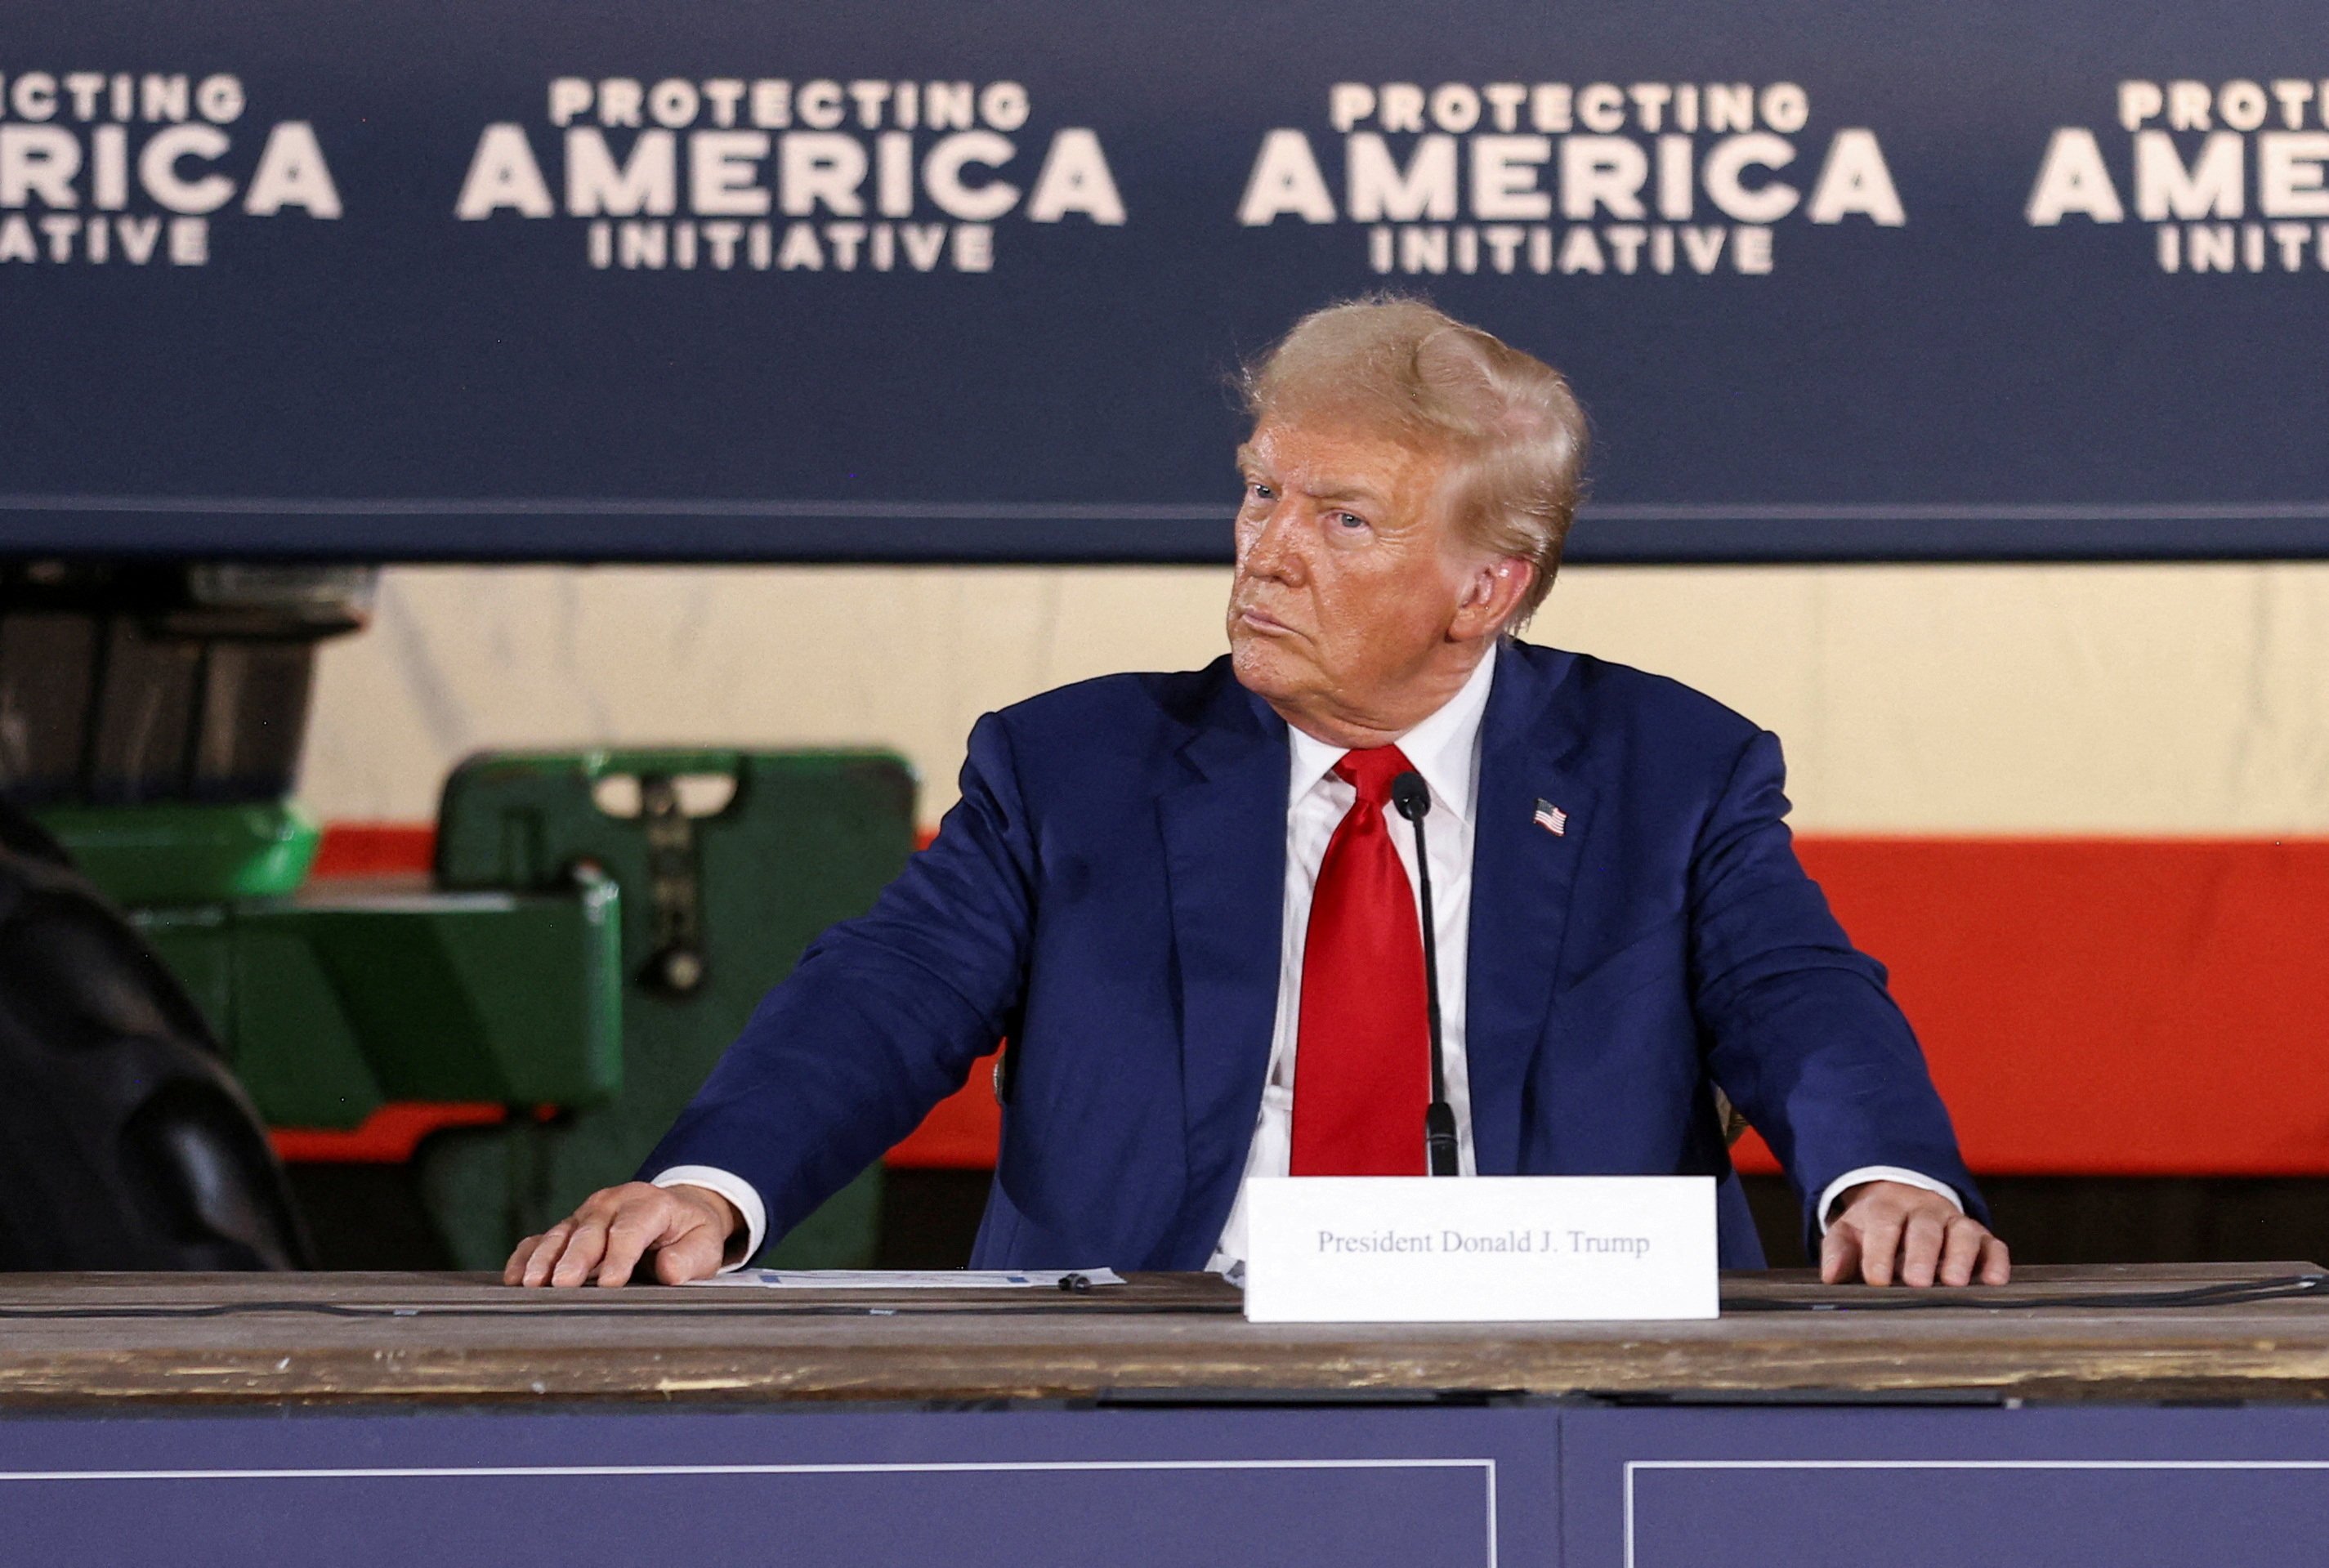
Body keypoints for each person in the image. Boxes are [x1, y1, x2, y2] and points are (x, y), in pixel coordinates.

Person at [507, 297, 2009, 1293]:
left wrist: (1885, 1181)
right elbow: (886, 994)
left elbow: (1796, 995)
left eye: (1340, 518)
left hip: (1565, 1386)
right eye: (1258, 493)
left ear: (1488, 584)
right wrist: (713, 1185)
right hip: (1141, 1381)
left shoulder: (1669, 771)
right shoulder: (1069, 771)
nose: (1266, 551)